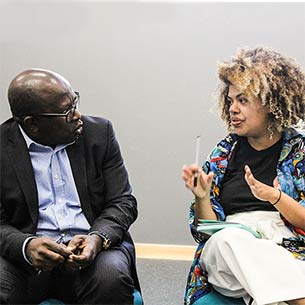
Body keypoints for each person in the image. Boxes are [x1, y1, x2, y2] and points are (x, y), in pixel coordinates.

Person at [0, 68, 141, 304]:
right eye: (67, 112)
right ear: (32, 124)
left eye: (74, 103)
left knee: (110, 278)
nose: (78, 115)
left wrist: (97, 238)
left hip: (92, 252)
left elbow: (122, 201)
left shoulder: (99, 133)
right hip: (25, 259)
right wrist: (26, 246)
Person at [182, 47, 305, 305]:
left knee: (268, 262)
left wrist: (276, 197)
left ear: (271, 102)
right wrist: (202, 197)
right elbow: (205, 231)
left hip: (284, 246)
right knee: (227, 241)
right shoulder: (222, 154)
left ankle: (277, 295)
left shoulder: (299, 151)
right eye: (230, 101)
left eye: (243, 100)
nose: (233, 109)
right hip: (227, 254)